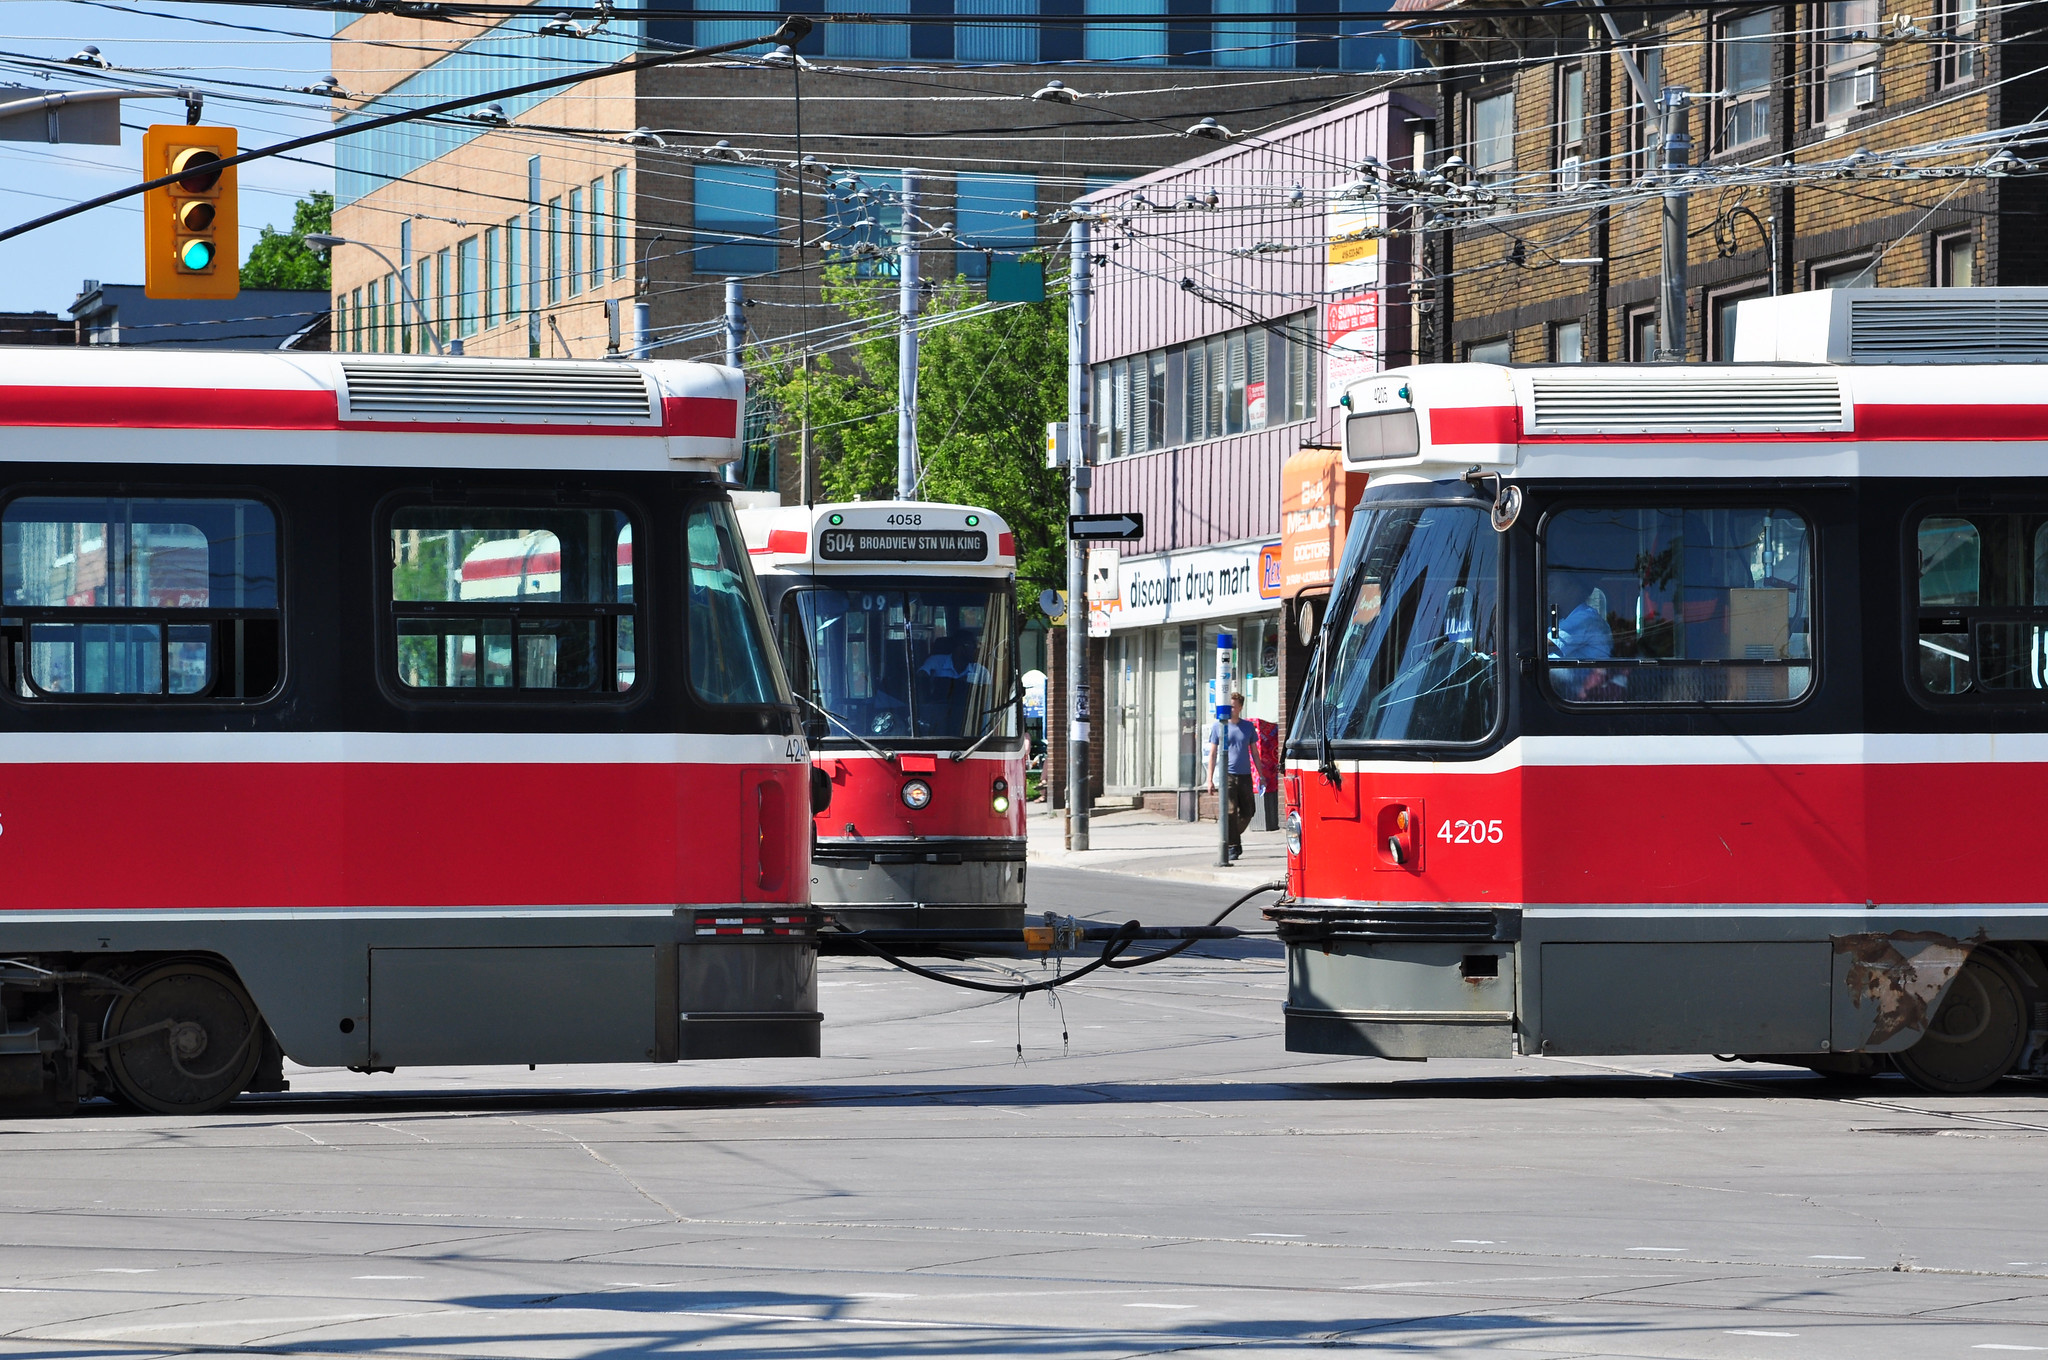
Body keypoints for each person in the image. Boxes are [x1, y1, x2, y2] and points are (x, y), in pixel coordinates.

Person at [1205, 690, 1257, 863]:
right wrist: (1209, 779)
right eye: (1230, 706)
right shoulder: (1219, 726)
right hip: (1227, 774)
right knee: (1230, 811)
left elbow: (1255, 753)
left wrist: (1262, 775)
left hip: (1245, 774)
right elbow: (1212, 754)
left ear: (1240, 707)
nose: (1231, 709)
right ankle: (1233, 845)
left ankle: (1232, 837)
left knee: (1249, 812)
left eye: (1234, 706)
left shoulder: (1248, 727)